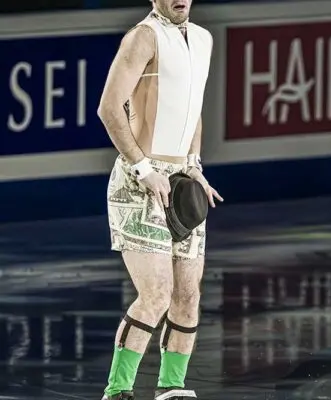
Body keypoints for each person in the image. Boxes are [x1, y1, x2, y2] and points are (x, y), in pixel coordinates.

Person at [97, 1, 223, 399]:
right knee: (155, 295)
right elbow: (109, 108)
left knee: (188, 297)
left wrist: (194, 165)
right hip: (139, 182)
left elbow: (193, 108)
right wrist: (142, 169)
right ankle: (117, 392)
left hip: (183, 183)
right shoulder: (143, 37)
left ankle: (171, 388)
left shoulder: (202, 39)